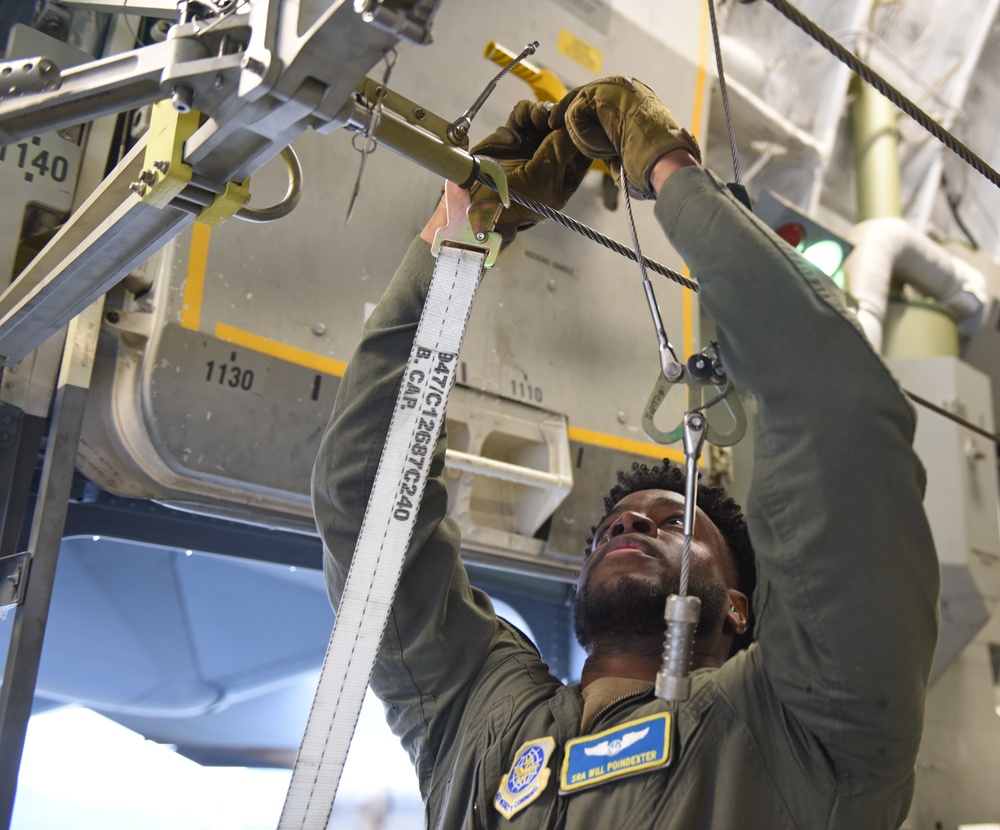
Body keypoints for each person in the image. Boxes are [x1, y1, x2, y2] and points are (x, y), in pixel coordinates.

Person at [312, 77, 939, 829]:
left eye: (674, 523)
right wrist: (457, 241)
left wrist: (671, 171)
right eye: (611, 527)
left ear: (741, 608)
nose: (625, 526)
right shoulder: (478, 720)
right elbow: (368, 505)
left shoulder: (809, 733)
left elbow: (837, 409)